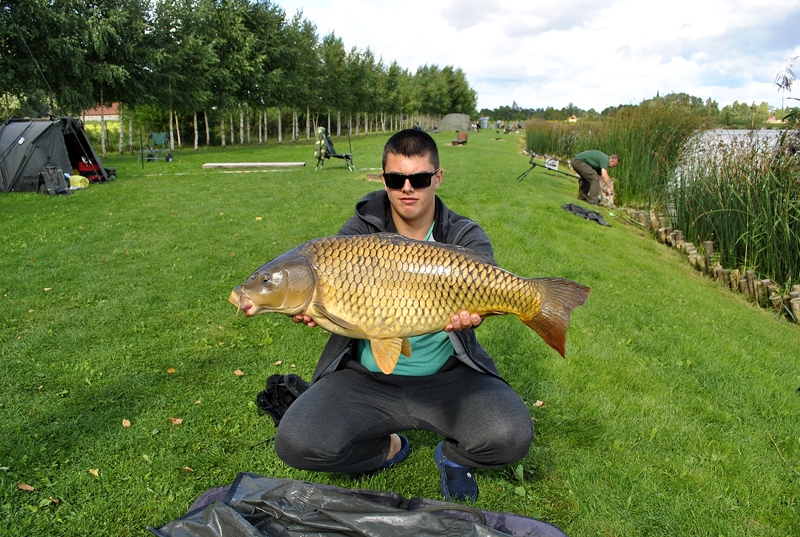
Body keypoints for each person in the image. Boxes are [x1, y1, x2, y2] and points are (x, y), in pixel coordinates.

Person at [274, 129, 534, 502]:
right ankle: (389, 447)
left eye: (420, 179)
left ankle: (453, 458)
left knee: (511, 434)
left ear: (438, 178)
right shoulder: (355, 236)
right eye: (396, 179)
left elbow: (487, 288)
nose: (407, 188)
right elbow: (333, 302)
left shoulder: (464, 235)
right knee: (296, 442)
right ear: (384, 180)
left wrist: (480, 313)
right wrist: (309, 306)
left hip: (448, 378)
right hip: (366, 379)